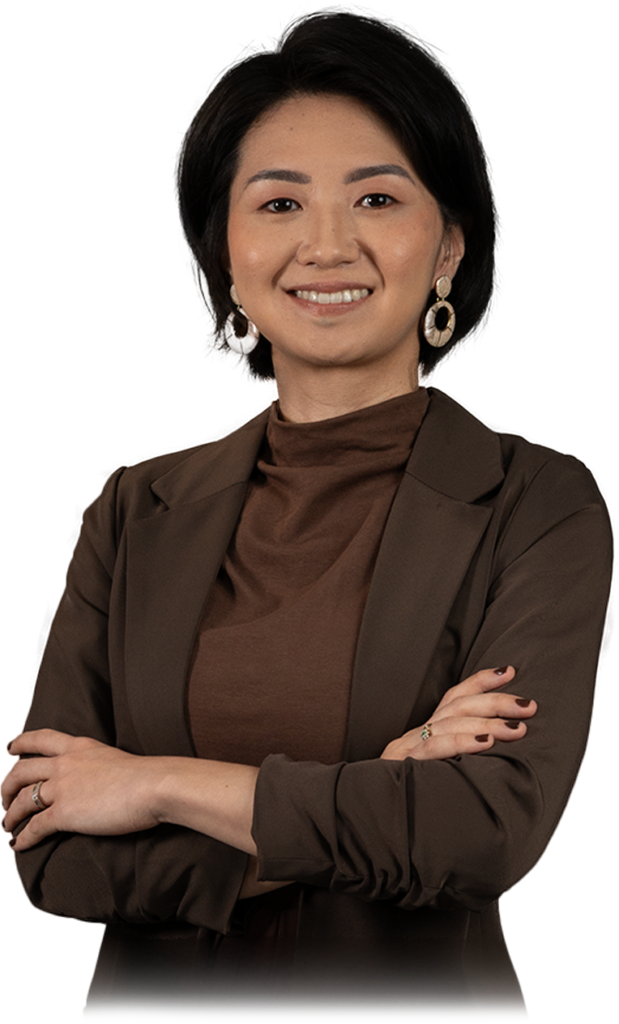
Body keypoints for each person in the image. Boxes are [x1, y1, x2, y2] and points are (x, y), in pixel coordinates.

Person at [1, 5, 614, 1023]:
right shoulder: (131, 507)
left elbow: (481, 832)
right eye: (279, 203)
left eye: (376, 197)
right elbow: (50, 849)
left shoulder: (538, 501)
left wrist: (156, 786)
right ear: (226, 253)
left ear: (448, 247)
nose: (326, 245)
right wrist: (375, 786)